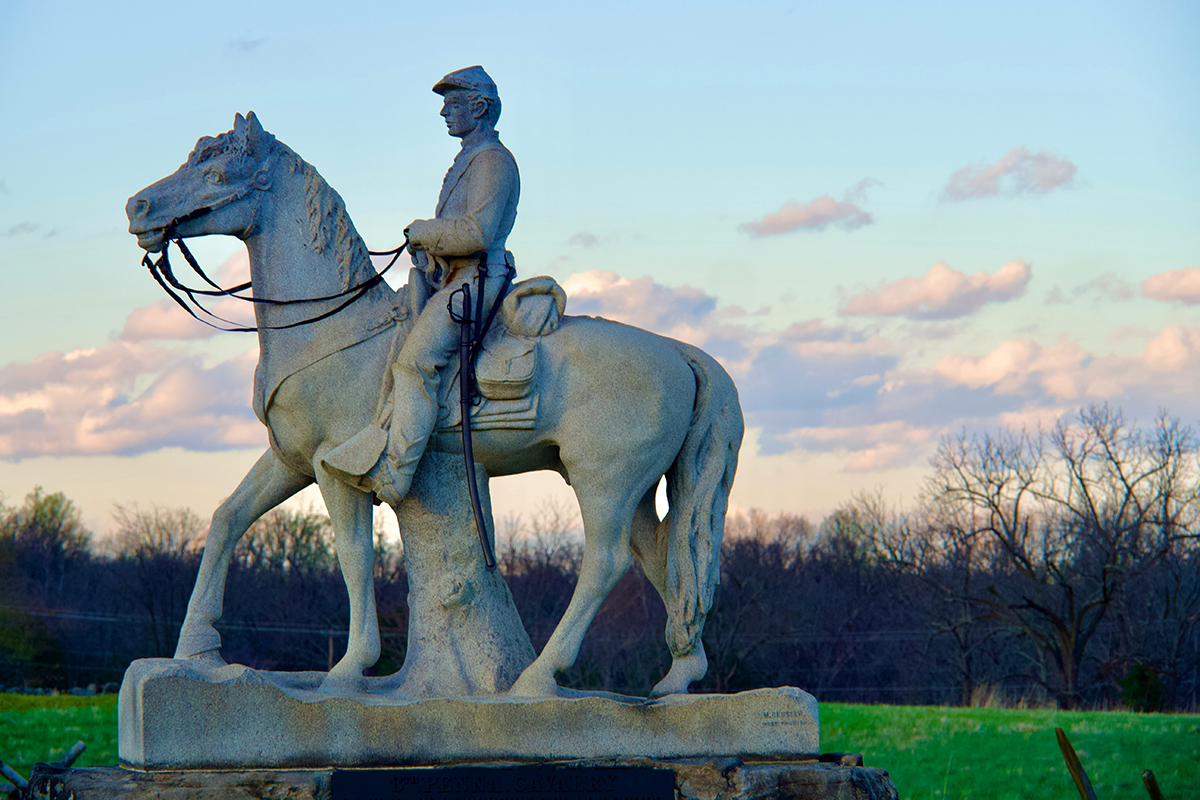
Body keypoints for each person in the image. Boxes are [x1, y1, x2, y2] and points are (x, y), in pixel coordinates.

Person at [322, 65, 520, 505]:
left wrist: (425, 232)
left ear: (480, 107)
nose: (445, 112)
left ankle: (396, 473)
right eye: (444, 104)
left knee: (415, 363)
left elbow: (479, 232)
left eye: (453, 103)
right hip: (453, 277)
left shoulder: (492, 161)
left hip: (477, 280)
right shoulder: (470, 159)